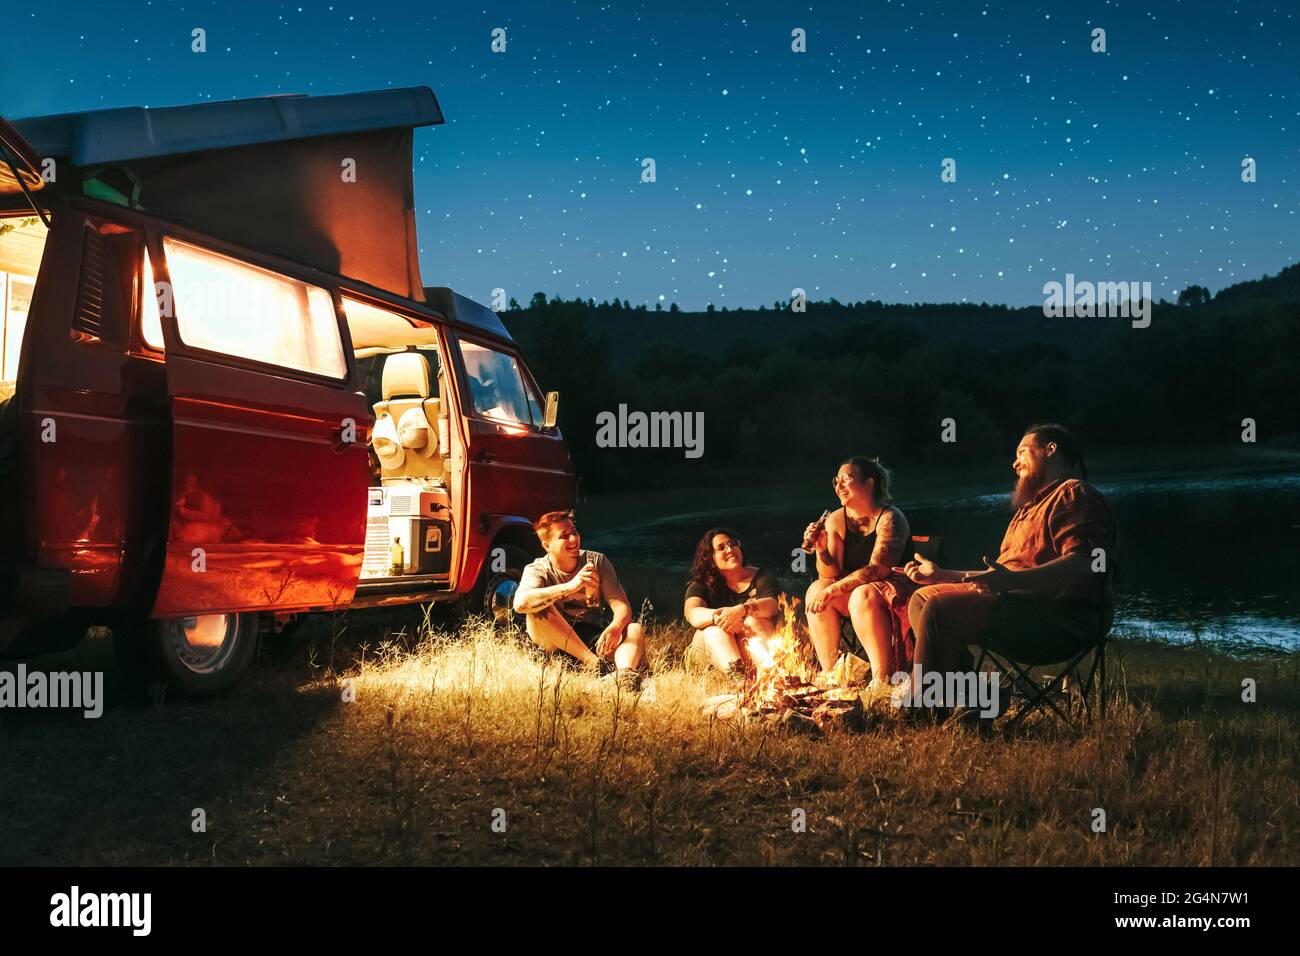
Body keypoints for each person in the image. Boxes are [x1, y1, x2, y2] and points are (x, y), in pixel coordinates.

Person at [900, 423, 1116, 716]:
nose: (1015, 462)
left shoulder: (1073, 495)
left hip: (1061, 617)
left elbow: (1084, 564)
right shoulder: (1027, 510)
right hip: (1019, 605)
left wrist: (1010, 581)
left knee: (939, 606)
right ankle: (974, 696)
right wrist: (942, 575)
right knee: (923, 597)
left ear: (1051, 450)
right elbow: (1000, 578)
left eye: (1023, 452)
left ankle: (920, 708)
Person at [803, 457, 917, 700]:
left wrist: (833, 591)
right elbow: (829, 574)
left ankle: (881, 680)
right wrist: (822, 549)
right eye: (836, 481)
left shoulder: (890, 518)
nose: (839, 486)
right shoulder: (836, 519)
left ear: (869, 483)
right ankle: (832, 674)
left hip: (895, 592)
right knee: (816, 590)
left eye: (846, 479)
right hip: (857, 594)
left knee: (859, 594)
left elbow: (878, 569)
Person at [513, 511, 647, 690]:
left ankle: (625, 675)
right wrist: (571, 587)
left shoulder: (596, 561)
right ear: (547, 545)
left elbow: (622, 608)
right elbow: (520, 604)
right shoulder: (537, 569)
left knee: (634, 629)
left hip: (591, 636)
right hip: (554, 641)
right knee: (537, 607)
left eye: (574, 532)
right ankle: (596, 667)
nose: (573, 539)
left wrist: (615, 627)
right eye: (564, 536)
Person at [682, 528, 782, 690]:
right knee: (713, 630)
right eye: (721, 547)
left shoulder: (762, 577)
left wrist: (741, 610)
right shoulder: (701, 584)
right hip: (709, 654)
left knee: (754, 620)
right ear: (710, 557)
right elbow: (692, 613)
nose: (730, 549)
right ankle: (739, 679)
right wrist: (719, 617)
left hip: (750, 650)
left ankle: (770, 673)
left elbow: (772, 605)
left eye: (733, 544)